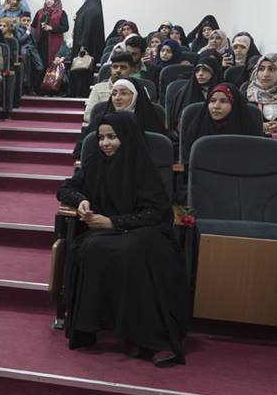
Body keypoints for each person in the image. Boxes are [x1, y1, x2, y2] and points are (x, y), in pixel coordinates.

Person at [57, 112, 190, 365]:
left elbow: (156, 213)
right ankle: (91, 328)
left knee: (129, 250)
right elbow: (65, 189)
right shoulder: (95, 163)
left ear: (127, 138)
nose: (105, 143)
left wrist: (113, 222)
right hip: (105, 232)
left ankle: (147, 337)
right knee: (89, 247)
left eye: (112, 137)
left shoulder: (142, 166)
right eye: (101, 138)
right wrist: (81, 200)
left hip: (146, 232)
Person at [78, 77, 167, 158]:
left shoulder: (149, 120)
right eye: (114, 94)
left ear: (135, 96)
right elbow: (81, 151)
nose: (117, 98)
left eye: (123, 93)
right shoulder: (102, 119)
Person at [167, 54, 223, 141]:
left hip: (218, 139)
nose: (200, 74)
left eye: (205, 70)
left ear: (214, 72)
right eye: (197, 70)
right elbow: (177, 126)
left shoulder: (223, 93)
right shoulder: (184, 93)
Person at [68, 0, 106, 98]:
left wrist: (82, 45)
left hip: (84, 47)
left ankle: (78, 93)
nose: (85, 1)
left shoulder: (90, 10)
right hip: (90, 47)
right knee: (85, 71)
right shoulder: (94, 9)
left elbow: (87, 29)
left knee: (81, 70)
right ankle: (81, 93)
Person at [83, 54, 137, 120]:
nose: (118, 70)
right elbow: (87, 115)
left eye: (123, 67)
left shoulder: (137, 89)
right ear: (111, 68)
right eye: (115, 67)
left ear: (132, 70)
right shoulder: (98, 88)